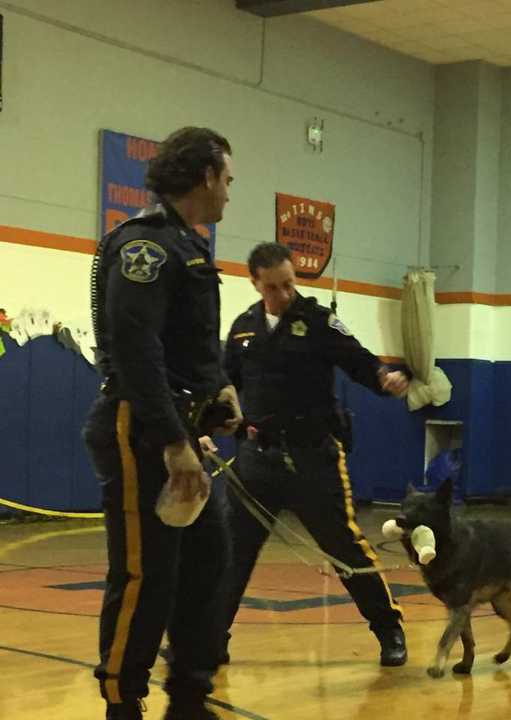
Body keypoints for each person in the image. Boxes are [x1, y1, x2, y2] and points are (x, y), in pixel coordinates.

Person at [83, 127, 242, 720]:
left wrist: (217, 393)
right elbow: (136, 353)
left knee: (207, 563)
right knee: (145, 576)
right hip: (141, 431)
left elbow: (186, 351)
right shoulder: (145, 247)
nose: (229, 192)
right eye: (226, 179)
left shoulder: (187, 245)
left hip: (181, 429)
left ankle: (190, 699)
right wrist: (175, 439)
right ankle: (123, 704)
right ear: (204, 176)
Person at [222, 242, 409, 666]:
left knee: (345, 546)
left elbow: (359, 361)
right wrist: (205, 428)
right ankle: (209, 639)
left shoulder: (318, 320)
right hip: (257, 459)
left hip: (313, 456)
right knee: (233, 549)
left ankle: (389, 629)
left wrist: (384, 379)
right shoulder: (242, 329)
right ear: (255, 283)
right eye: (273, 287)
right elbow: (224, 383)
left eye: (289, 284)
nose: (284, 294)